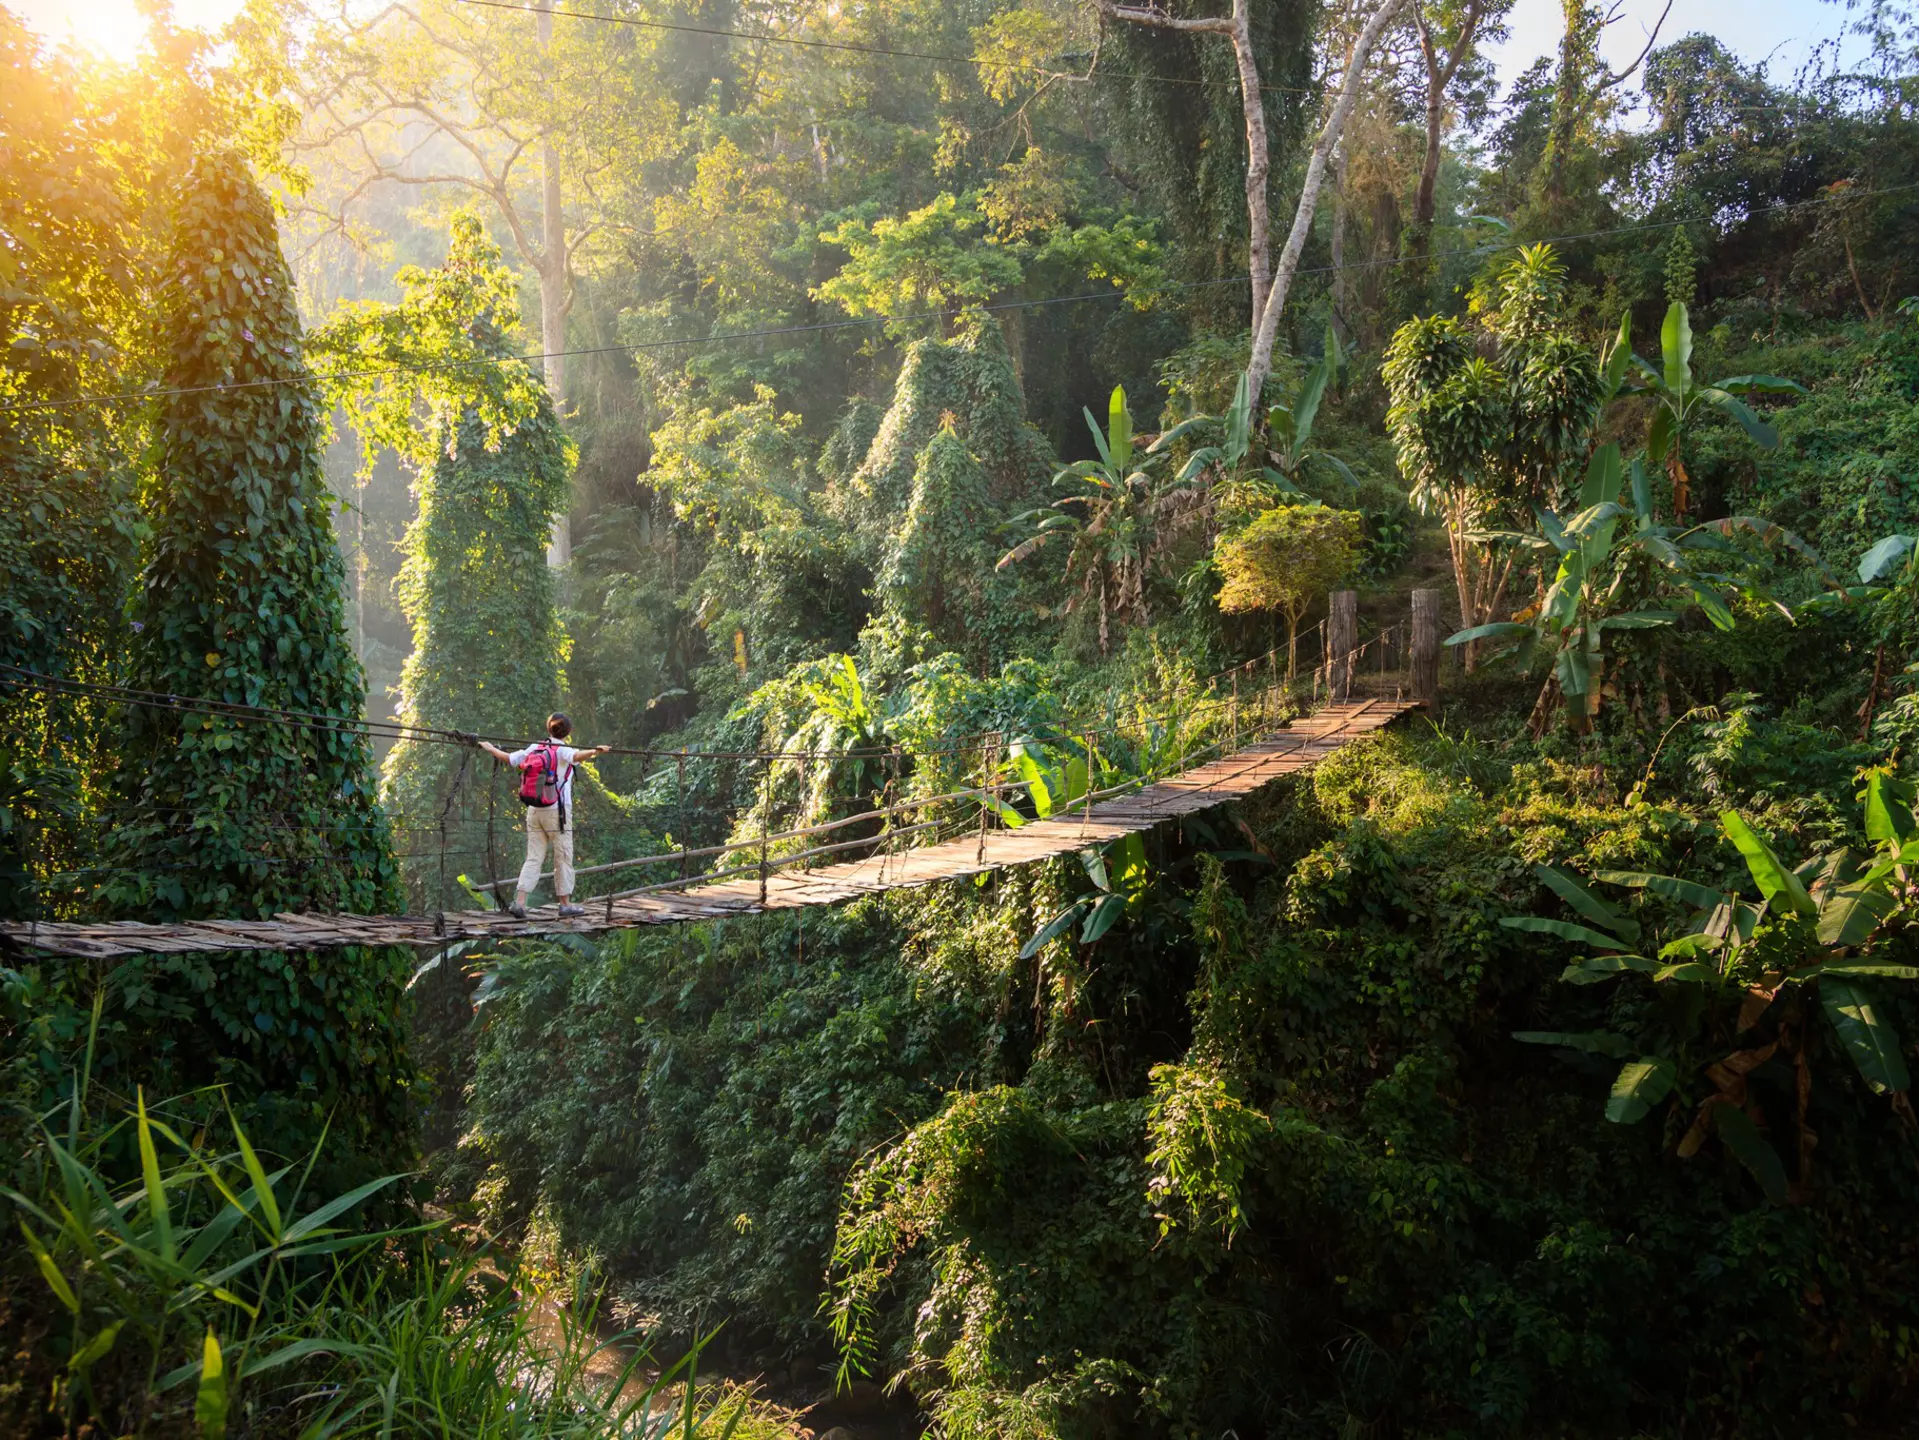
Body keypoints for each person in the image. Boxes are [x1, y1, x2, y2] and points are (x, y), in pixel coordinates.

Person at [473, 714, 610, 918]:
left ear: (548, 730)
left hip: (534, 809)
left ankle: (520, 902)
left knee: (534, 857)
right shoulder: (563, 750)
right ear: (569, 732)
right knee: (562, 856)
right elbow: (577, 757)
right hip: (558, 811)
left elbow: (510, 759)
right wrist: (596, 751)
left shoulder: (536, 748)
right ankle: (565, 904)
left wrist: (491, 748)